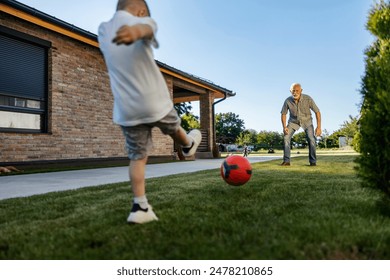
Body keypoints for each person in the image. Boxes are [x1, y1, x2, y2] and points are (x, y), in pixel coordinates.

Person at [98, 0, 201, 224]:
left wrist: (136, 31)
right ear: (141, 11)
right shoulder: (144, 21)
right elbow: (149, 29)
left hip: (127, 109)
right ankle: (188, 144)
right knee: (174, 128)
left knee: (137, 157)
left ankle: (140, 207)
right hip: (154, 101)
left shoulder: (103, 30)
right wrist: (137, 29)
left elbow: (140, 32)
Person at [280, 83, 321, 166]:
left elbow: (317, 112)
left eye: (297, 91)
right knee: (286, 137)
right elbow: (283, 114)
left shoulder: (308, 99)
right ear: (290, 91)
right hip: (293, 122)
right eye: (293, 91)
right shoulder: (287, 100)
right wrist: (284, 127)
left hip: (307, 121)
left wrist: (319, 127)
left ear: (301, 91)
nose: (295, 92)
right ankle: (286, 161)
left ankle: (313, 162)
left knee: (311, 139)